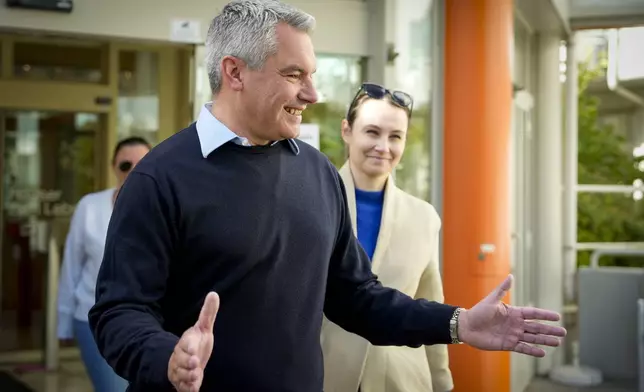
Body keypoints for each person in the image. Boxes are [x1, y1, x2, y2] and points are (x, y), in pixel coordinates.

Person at [88, 1, 566, 392]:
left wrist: (457, 323)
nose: (313, 93)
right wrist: (166, 356)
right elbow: (118, 313)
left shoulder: (315, 172)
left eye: (311, 74)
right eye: (295, 74)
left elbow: (356, 297)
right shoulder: (159, 178)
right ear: (234, 72)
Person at [321, 83, 452, 392]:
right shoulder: (311, 203)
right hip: (325, 374)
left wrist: (442, 381)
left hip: (401, 380)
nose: (383, 146)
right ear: (346, 131)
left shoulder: (424, 218)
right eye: (372, 132)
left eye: (395, 137)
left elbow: (429, 301)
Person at [57, 136, 151, 392]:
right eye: (125, 165)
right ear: (113, 168)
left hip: (147, 323)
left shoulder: (161, 208)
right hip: (93, 320)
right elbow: (71, 268)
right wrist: (63, 322)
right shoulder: (89, 207)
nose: (132, 171)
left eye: (141, 163)